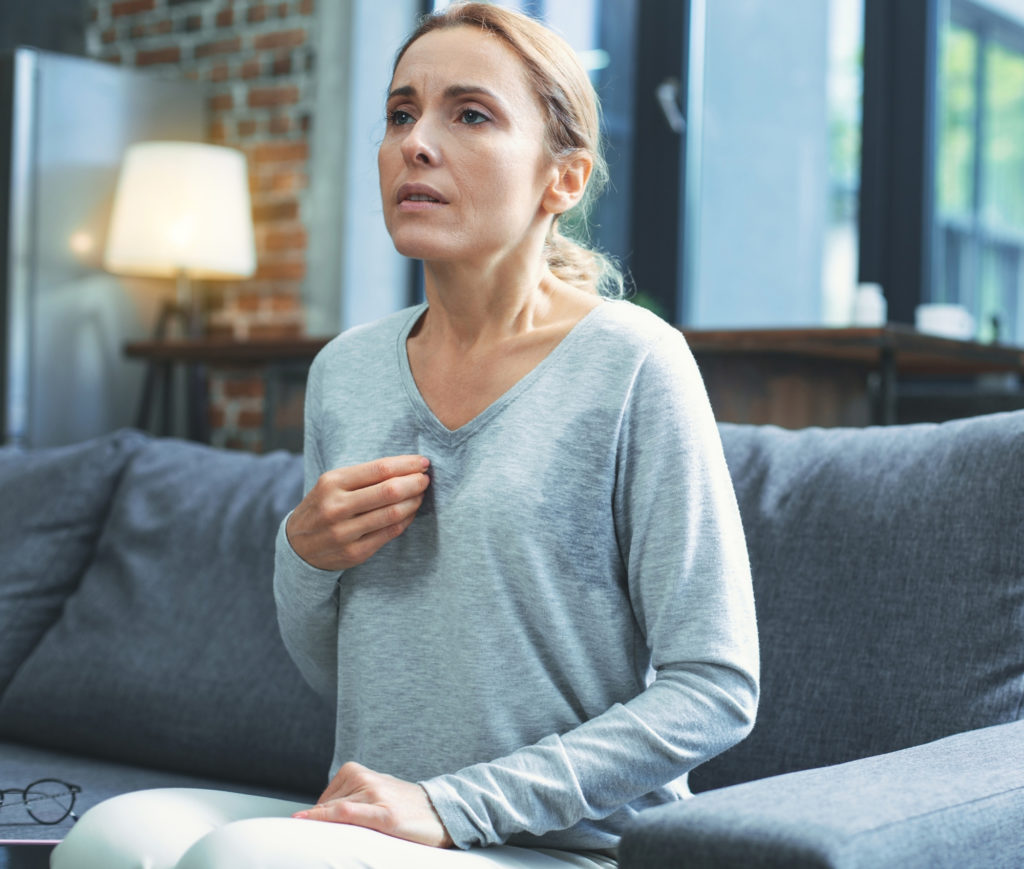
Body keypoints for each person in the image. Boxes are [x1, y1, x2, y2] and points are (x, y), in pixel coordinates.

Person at [51, 4, 758, 867]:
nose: (415, 143)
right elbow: (343, 677)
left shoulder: (634, 363)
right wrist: (303, 555)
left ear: (562, 180)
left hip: (565, 842)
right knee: (108, 840)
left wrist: (451, 803)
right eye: (399, 113)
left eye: (469, 114)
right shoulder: (345, 372)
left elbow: (716, 689)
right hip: (376, 825)